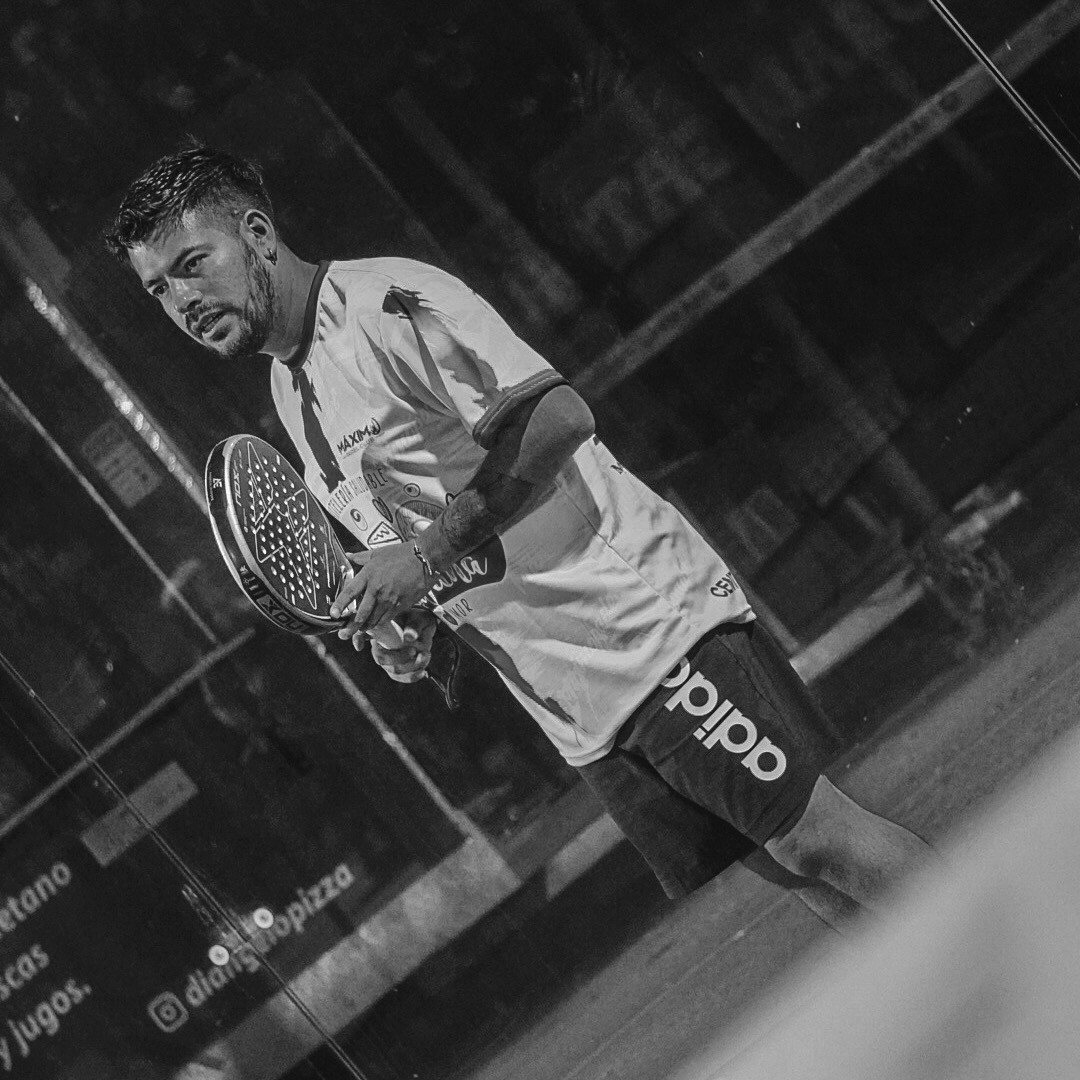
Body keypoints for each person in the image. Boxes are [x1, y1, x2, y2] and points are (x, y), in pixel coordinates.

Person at [106, 145, 933, 929]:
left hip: (643, 627)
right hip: (570, 697)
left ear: (257, 233)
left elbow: (558, 418)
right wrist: (415, 619)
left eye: (193, 264)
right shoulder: (290, 390)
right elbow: (426, 528)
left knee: (814, 840)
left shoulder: (387, 303)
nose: (183, 300)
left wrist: (422, 559)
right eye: (158, 290)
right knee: (787, 869)